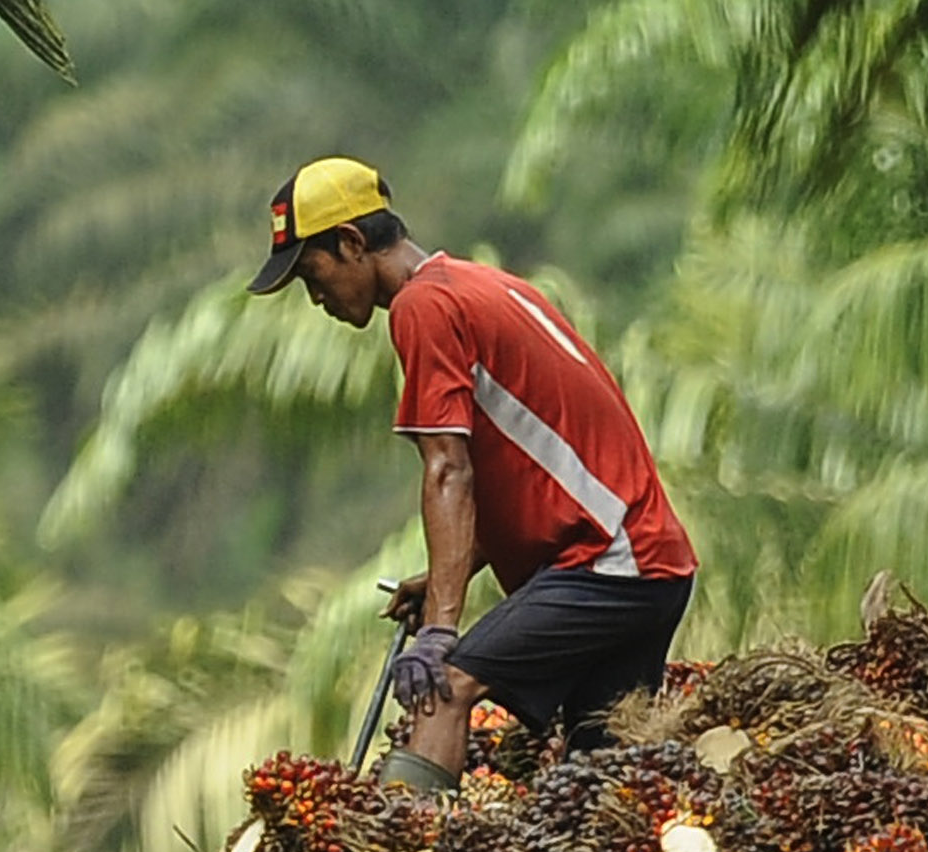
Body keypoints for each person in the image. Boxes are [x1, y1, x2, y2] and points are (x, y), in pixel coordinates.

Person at [250, 155, 698, 786]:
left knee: (446, 685)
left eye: (311, 273)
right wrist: (441, 577)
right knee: (596, 784)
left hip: (608, 564)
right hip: (652, 566)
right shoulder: (484, 285)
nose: (315, 296)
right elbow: (534, 472)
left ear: (351, 243)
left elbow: (448, 471)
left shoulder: (423, 308)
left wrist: (439, 630)